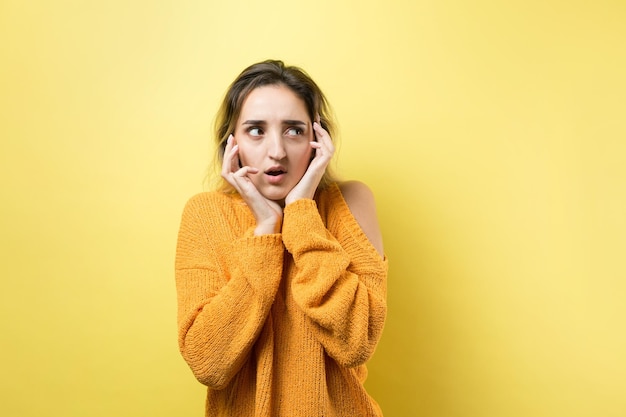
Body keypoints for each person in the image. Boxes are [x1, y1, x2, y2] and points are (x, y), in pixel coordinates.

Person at [175, 59, 388, 416]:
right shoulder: (205, 214)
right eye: (256, 130)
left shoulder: (351, 203)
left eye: (293, 130)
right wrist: (265, 231)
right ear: (233, 143)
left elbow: (356, 343)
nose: (276, 151)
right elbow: (209, 363)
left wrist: (301, 211)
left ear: (318, 138)